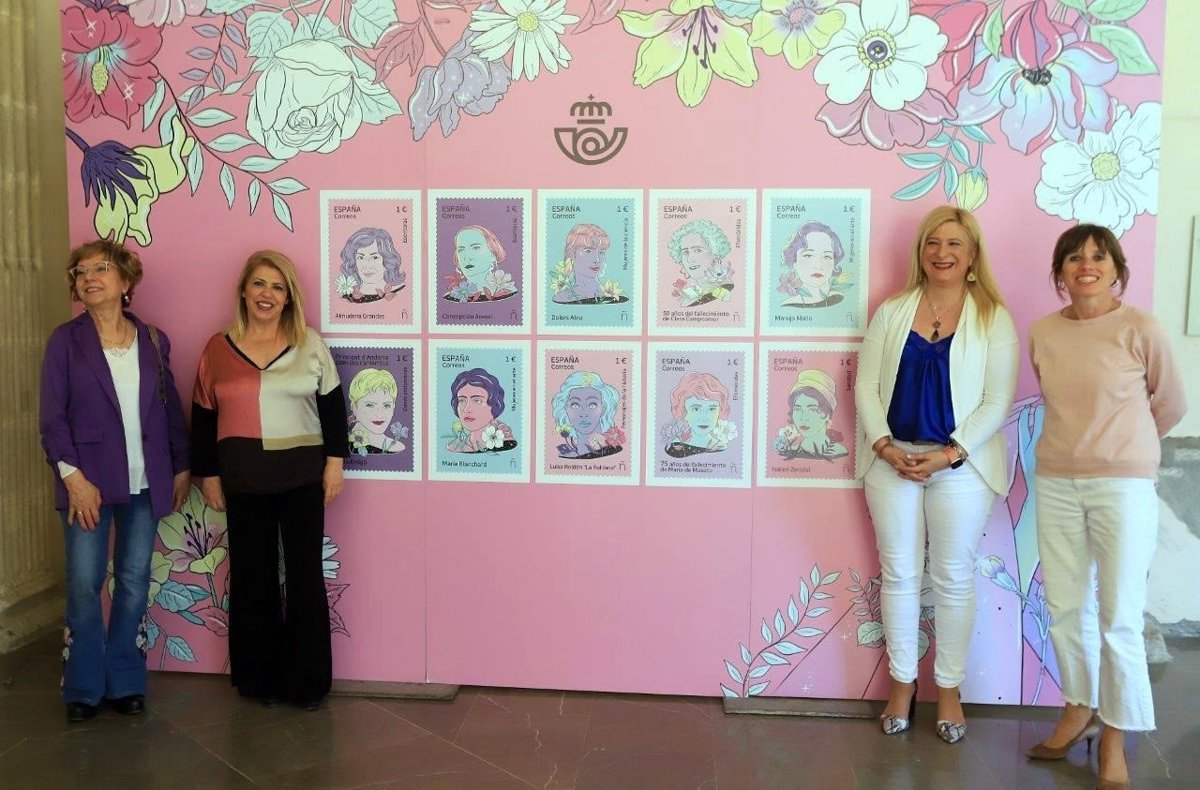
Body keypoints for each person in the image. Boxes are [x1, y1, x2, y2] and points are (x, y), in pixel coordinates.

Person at [1026, 225, 1186, 788]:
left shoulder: (1141, 327)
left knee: (1119, 616)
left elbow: (1170, 403)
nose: (1086, 265)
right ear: (1060, 273)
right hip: (1057, 481)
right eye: (1074, 258)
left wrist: (1125, 447)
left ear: (1117, 268)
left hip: (1122, 486)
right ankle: (1079, 709)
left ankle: (1116, 735)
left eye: (1098, 256)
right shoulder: (1044, 332)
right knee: (1066, 607)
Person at [855, 206, 1017, 743]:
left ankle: (948, 689)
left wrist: (950, 454)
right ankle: (902, 684)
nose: (942, 253)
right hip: (891, 462)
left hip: (961, 467)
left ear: (972, 256)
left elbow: (997, 401)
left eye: (954, 244)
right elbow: (866, 387)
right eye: (932, 243)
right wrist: (884, 446)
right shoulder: (892, 311)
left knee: (952, 578)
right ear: (920, 252)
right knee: (900, 576)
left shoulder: (993, 317)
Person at [39, 239, 190, 723]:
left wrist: (181, 465)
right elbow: (52, 419)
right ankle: (82, 686)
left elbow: (169, 407)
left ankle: (125, 680)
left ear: (125, 280)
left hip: (145, 481)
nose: (88, 278)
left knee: (133, 579)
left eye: (100, 268)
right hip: (86, 483)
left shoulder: (153, 339)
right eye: (80, 272)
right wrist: (73, 479)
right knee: (85, 582)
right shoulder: (65, 341)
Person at [192, 250, 348, 711]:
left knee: (304, 576)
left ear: (289, 298)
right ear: (244, 290)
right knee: (252, 577)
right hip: (243, 480)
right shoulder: (217, 349)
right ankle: (259, 680)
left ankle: (308, 683)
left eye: (278, 287)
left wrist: (334, 465)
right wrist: (209, 475)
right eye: (259, 284)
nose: (267, 294)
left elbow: (333, 410)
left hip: (301, 478)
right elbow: (202, 417)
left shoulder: (310, 344)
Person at [774, 369, 848, 461]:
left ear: (827, 414)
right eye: (797, 409)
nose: (803, 418)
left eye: (812, 409)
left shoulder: (839, 452)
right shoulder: (789, 451)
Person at [551, 370, 624, 459]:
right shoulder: (565, 455)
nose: (583, 413)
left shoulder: (614, 450)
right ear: (565, 408)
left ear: (604, 409)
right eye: (575, 405)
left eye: (592, 405)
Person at [663, 372, 737, 457]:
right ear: (683, 412)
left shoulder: (721, 447)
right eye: (696, 409)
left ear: (720, 412)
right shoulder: (675, 447)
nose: (704, 418)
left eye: (712, 409)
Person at [779, 221, 850, 307]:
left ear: (834, 263)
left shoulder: (839, 298)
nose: (818, 266)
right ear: (794, 261)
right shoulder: (788, 305)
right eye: (808, 255)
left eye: (827, 256)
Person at [445, 368, 517, 453]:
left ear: (495, 405)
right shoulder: (455, 447)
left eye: (477, 401)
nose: (467, 409)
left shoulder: (506, 444)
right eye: (462, 400)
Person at [552, 223, 625, 304]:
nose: (597, 260)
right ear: (572, 254)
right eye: (588, 251)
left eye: (601, 252)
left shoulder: (616, 296)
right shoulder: (562, 297)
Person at [667, 219, 734, 307]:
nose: (690, 259)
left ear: (715, 252)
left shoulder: (725, 288)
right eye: (685, 252)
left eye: (697, 250)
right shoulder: (690, 295)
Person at [443, 225, 516, 302]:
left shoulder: (509, 293)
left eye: (476, 248)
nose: (467, 257)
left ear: (493, 253)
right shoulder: (452, 297)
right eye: (461, 250)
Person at [337, 227, 405, 303]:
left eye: (374, 257)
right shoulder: (348, 296)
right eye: (361, 258)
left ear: (388, 260)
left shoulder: (401, 291)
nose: (367, 266)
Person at [347, 368, 406, 454]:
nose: (379, 414)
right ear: (354, 407)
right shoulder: (342, 444)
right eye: (370, 405)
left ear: (393, 407)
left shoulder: (396, 447)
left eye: (386, 405)